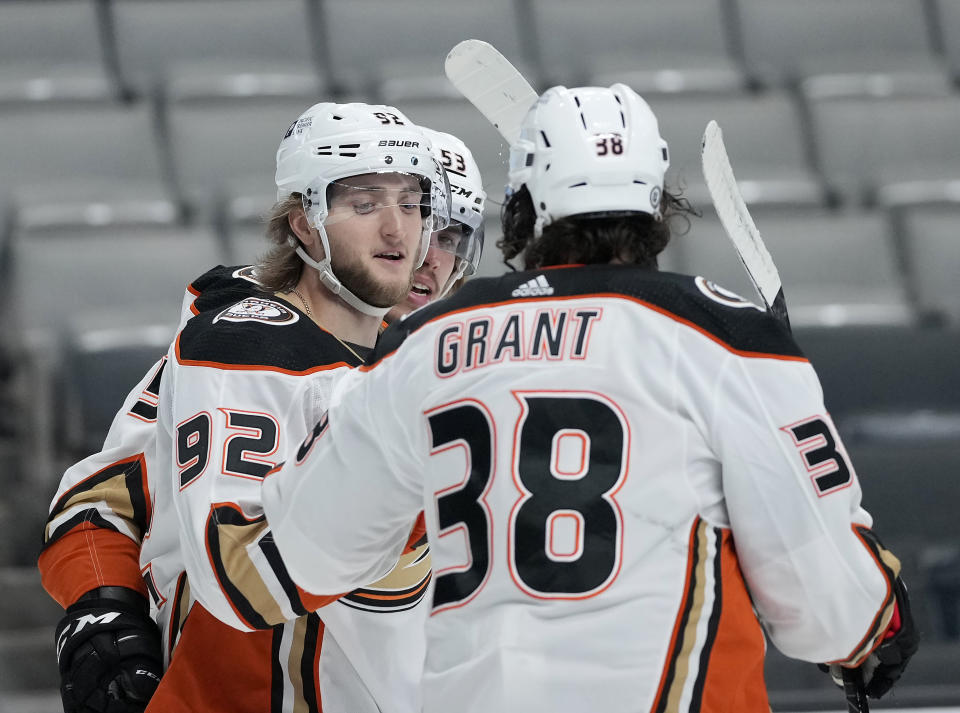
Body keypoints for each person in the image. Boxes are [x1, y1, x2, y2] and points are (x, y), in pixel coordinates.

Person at [260, 84, 919, 713]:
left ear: (520, 209)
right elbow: (831, 607)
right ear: (659, 208)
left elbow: (300, 553)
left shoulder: (422, 341)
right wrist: (878, 625)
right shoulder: (727, 337)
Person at [40, 102, 486, 713]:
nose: (421, 254)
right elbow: (104, 498)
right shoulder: (250, 343)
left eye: (443, 232)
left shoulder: (446, 377)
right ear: (311, 224)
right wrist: (101, 605)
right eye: (370, 206)